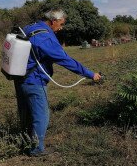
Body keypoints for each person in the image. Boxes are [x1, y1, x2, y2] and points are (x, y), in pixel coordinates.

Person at [14, 9, 101, 157]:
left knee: (27, 112)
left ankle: (25, 141)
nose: (61, 27)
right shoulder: (45, 37)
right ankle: (36, 149)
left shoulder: (31, 27)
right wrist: (90, 74)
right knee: (42, 115)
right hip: (34, 81)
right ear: (53, 21)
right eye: (61, 24)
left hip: (19, 78)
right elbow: (65, 60)